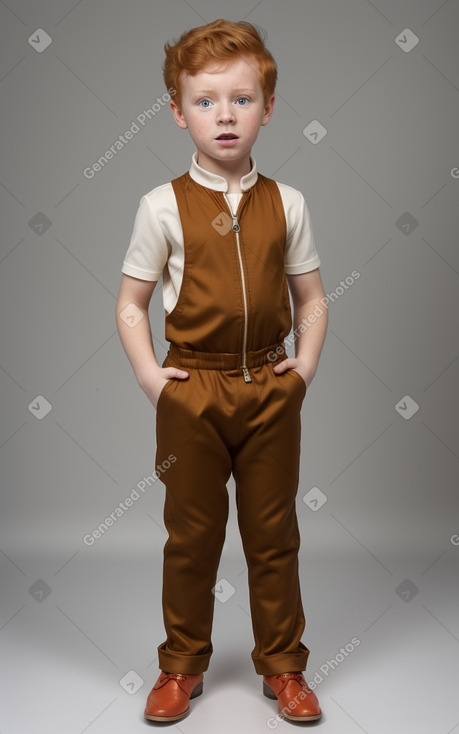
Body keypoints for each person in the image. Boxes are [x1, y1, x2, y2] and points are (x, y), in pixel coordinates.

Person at [115, 18, 328, 724]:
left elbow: (313, 300)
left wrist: (301, 372)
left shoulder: (287, 202)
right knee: (192, 534)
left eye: (241, 99)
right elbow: (129, 306)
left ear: (267, 106)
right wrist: (152, 379)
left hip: (269, 388)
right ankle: (180, 667)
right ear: (177, 112)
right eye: (205, 101)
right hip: (192, 390)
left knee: (274, 533)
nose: (225, 115)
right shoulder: (161, 206)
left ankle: (285, 666)